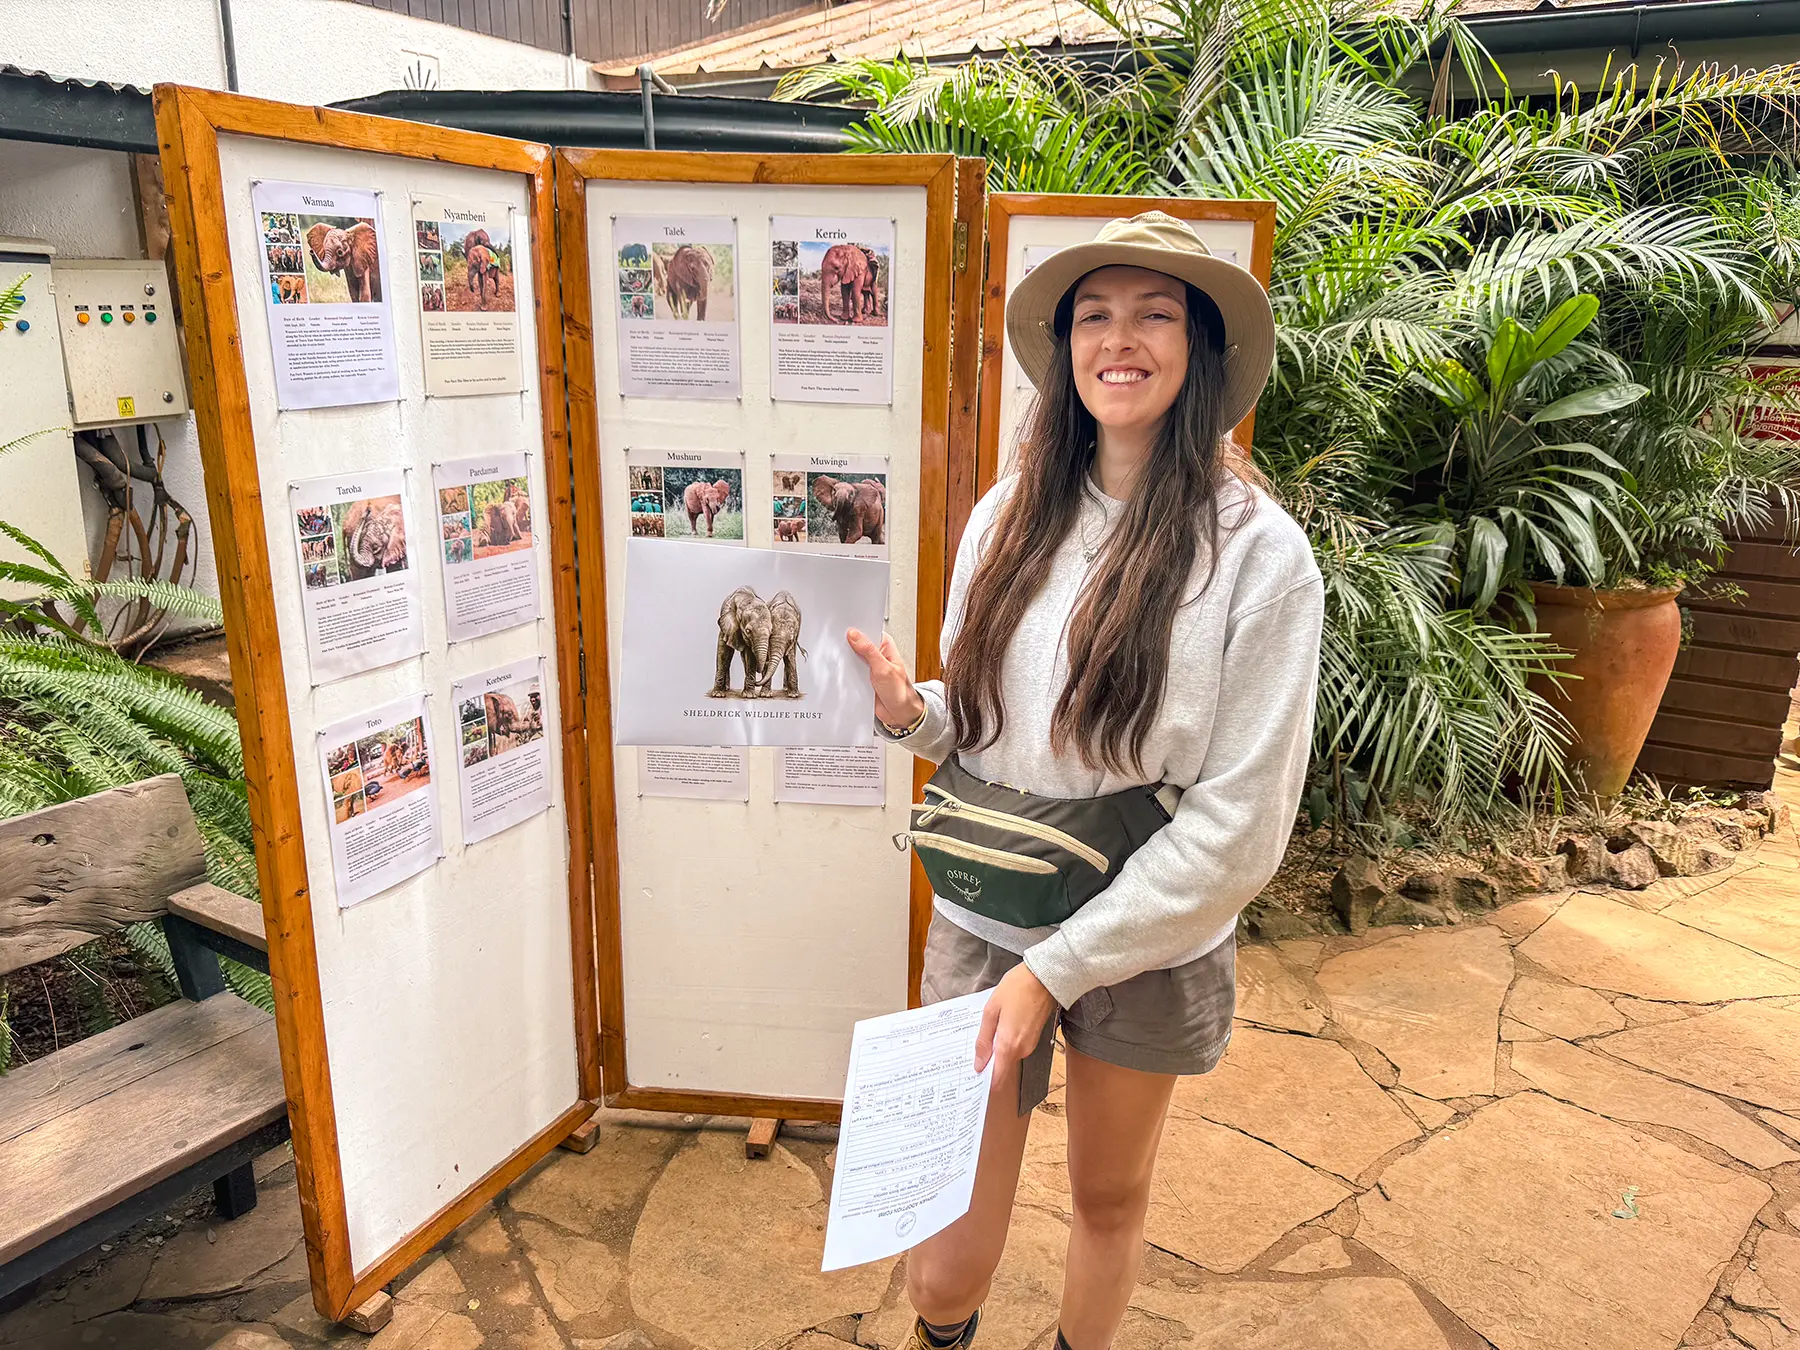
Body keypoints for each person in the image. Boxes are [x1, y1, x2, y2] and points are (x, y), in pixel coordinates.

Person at [846, 212, 1324, 1350]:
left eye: (1157, 314)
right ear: (1064, 349)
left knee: (1110, 1198)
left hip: (1146, 928)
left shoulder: (1259, 555)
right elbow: (986, 724)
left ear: (1199, 350)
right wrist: (918, 716)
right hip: (985, 913)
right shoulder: (1004, 520)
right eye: (1095, 315)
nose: (1123, 340)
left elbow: (1242, 825)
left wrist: (1057, 973)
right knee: (941, 1264)